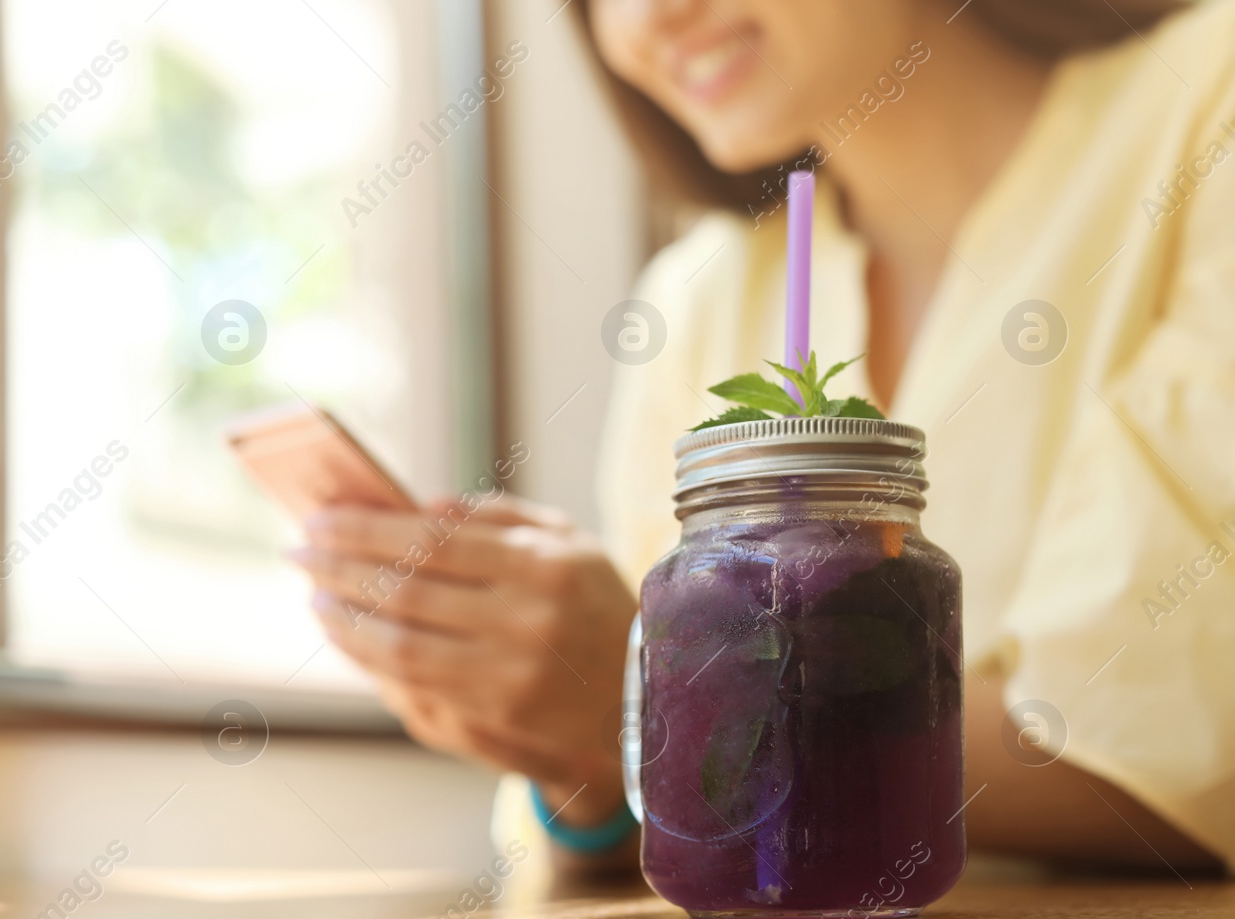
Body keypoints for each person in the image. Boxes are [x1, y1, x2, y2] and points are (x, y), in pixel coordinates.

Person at [294, 0, 1234, 874]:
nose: (649, 21)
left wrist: (672, 694)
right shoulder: (701, 300)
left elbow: (1177, 745)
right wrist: (575, 747)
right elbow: (659, 824)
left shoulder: (1209, 104)